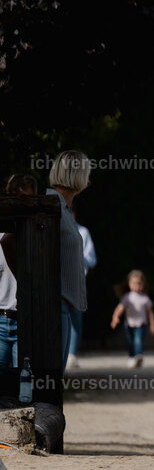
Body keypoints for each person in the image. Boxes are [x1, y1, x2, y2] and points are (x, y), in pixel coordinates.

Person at [47, 150, 91, 375]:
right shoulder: (50, 206)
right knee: (50, 383)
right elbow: (10, 241)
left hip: (64, 306)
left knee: (55, 383)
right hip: (53, 306)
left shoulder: (64, 209)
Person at [0, 173, 38, 368]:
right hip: (1, 319)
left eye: (31, 201)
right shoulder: (3, 236)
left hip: (27, 319)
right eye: (21, 200)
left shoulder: (38, 235)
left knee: (24, 387)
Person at [67, 209, 97, 368]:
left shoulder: (83, 232)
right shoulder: (55, 230)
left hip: (77, 281)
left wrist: (76, 256)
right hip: (59, 281)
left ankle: (72, 353)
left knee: (75, 319)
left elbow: (92, 259)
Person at [111, 270, 154, 368]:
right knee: (131, 342)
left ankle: (138, 356)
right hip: (129, 324)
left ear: (143, 285)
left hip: (141, 324)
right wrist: (115, 318)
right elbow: (120, 308)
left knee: (138, 340)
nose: (137, 286)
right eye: (134, 283)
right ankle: (132, 358)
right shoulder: (127, 297)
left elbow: (150, 313)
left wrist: (153, 325)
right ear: (129, 284)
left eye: (139, 283)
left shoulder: (145, 298)